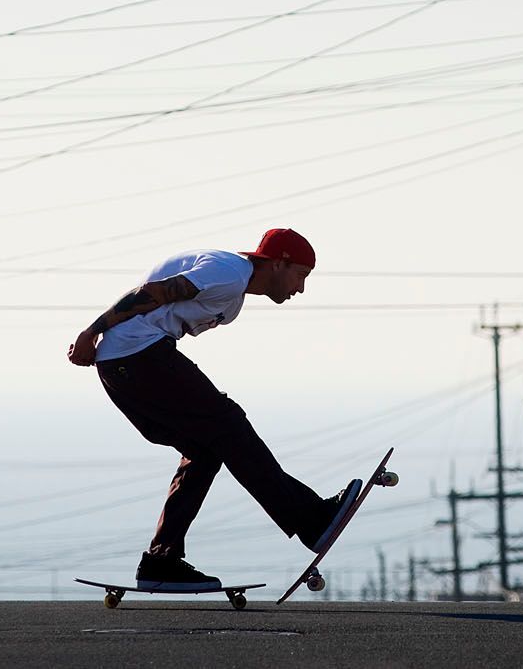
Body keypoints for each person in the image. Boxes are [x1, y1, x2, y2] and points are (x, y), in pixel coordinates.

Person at [67, 227, 361, 590]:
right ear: (279, 263)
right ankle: (312, 520)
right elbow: (151, 294)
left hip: (126, 367)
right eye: (300, 275)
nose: (300, 288)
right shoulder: (228, 273)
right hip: (137, 358)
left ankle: (161, 560)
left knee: (205, 450)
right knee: (228, 423)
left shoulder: (233, 293)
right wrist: (91, 331)